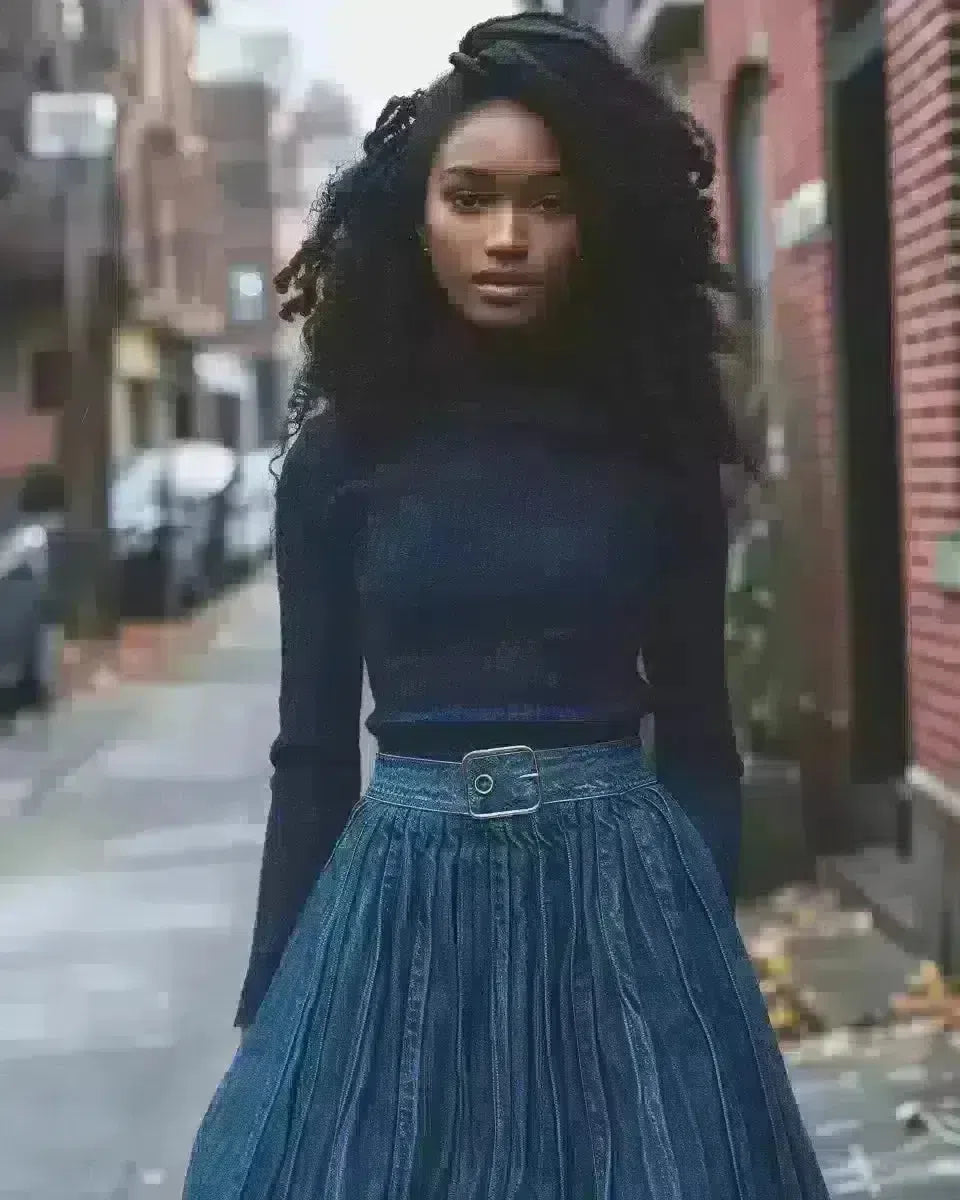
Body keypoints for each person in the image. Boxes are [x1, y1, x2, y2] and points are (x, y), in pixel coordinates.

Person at [182, 13, 829, 1199]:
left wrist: (697, 953)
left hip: (626, 906)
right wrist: (275, 1008)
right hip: (400, 904)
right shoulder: (344, 457)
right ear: (412, 214)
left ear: (599, 223)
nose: (508, 238)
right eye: (470, 197)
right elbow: (312, 756)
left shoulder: (656, 439)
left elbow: (700, 737)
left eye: (549, 202)